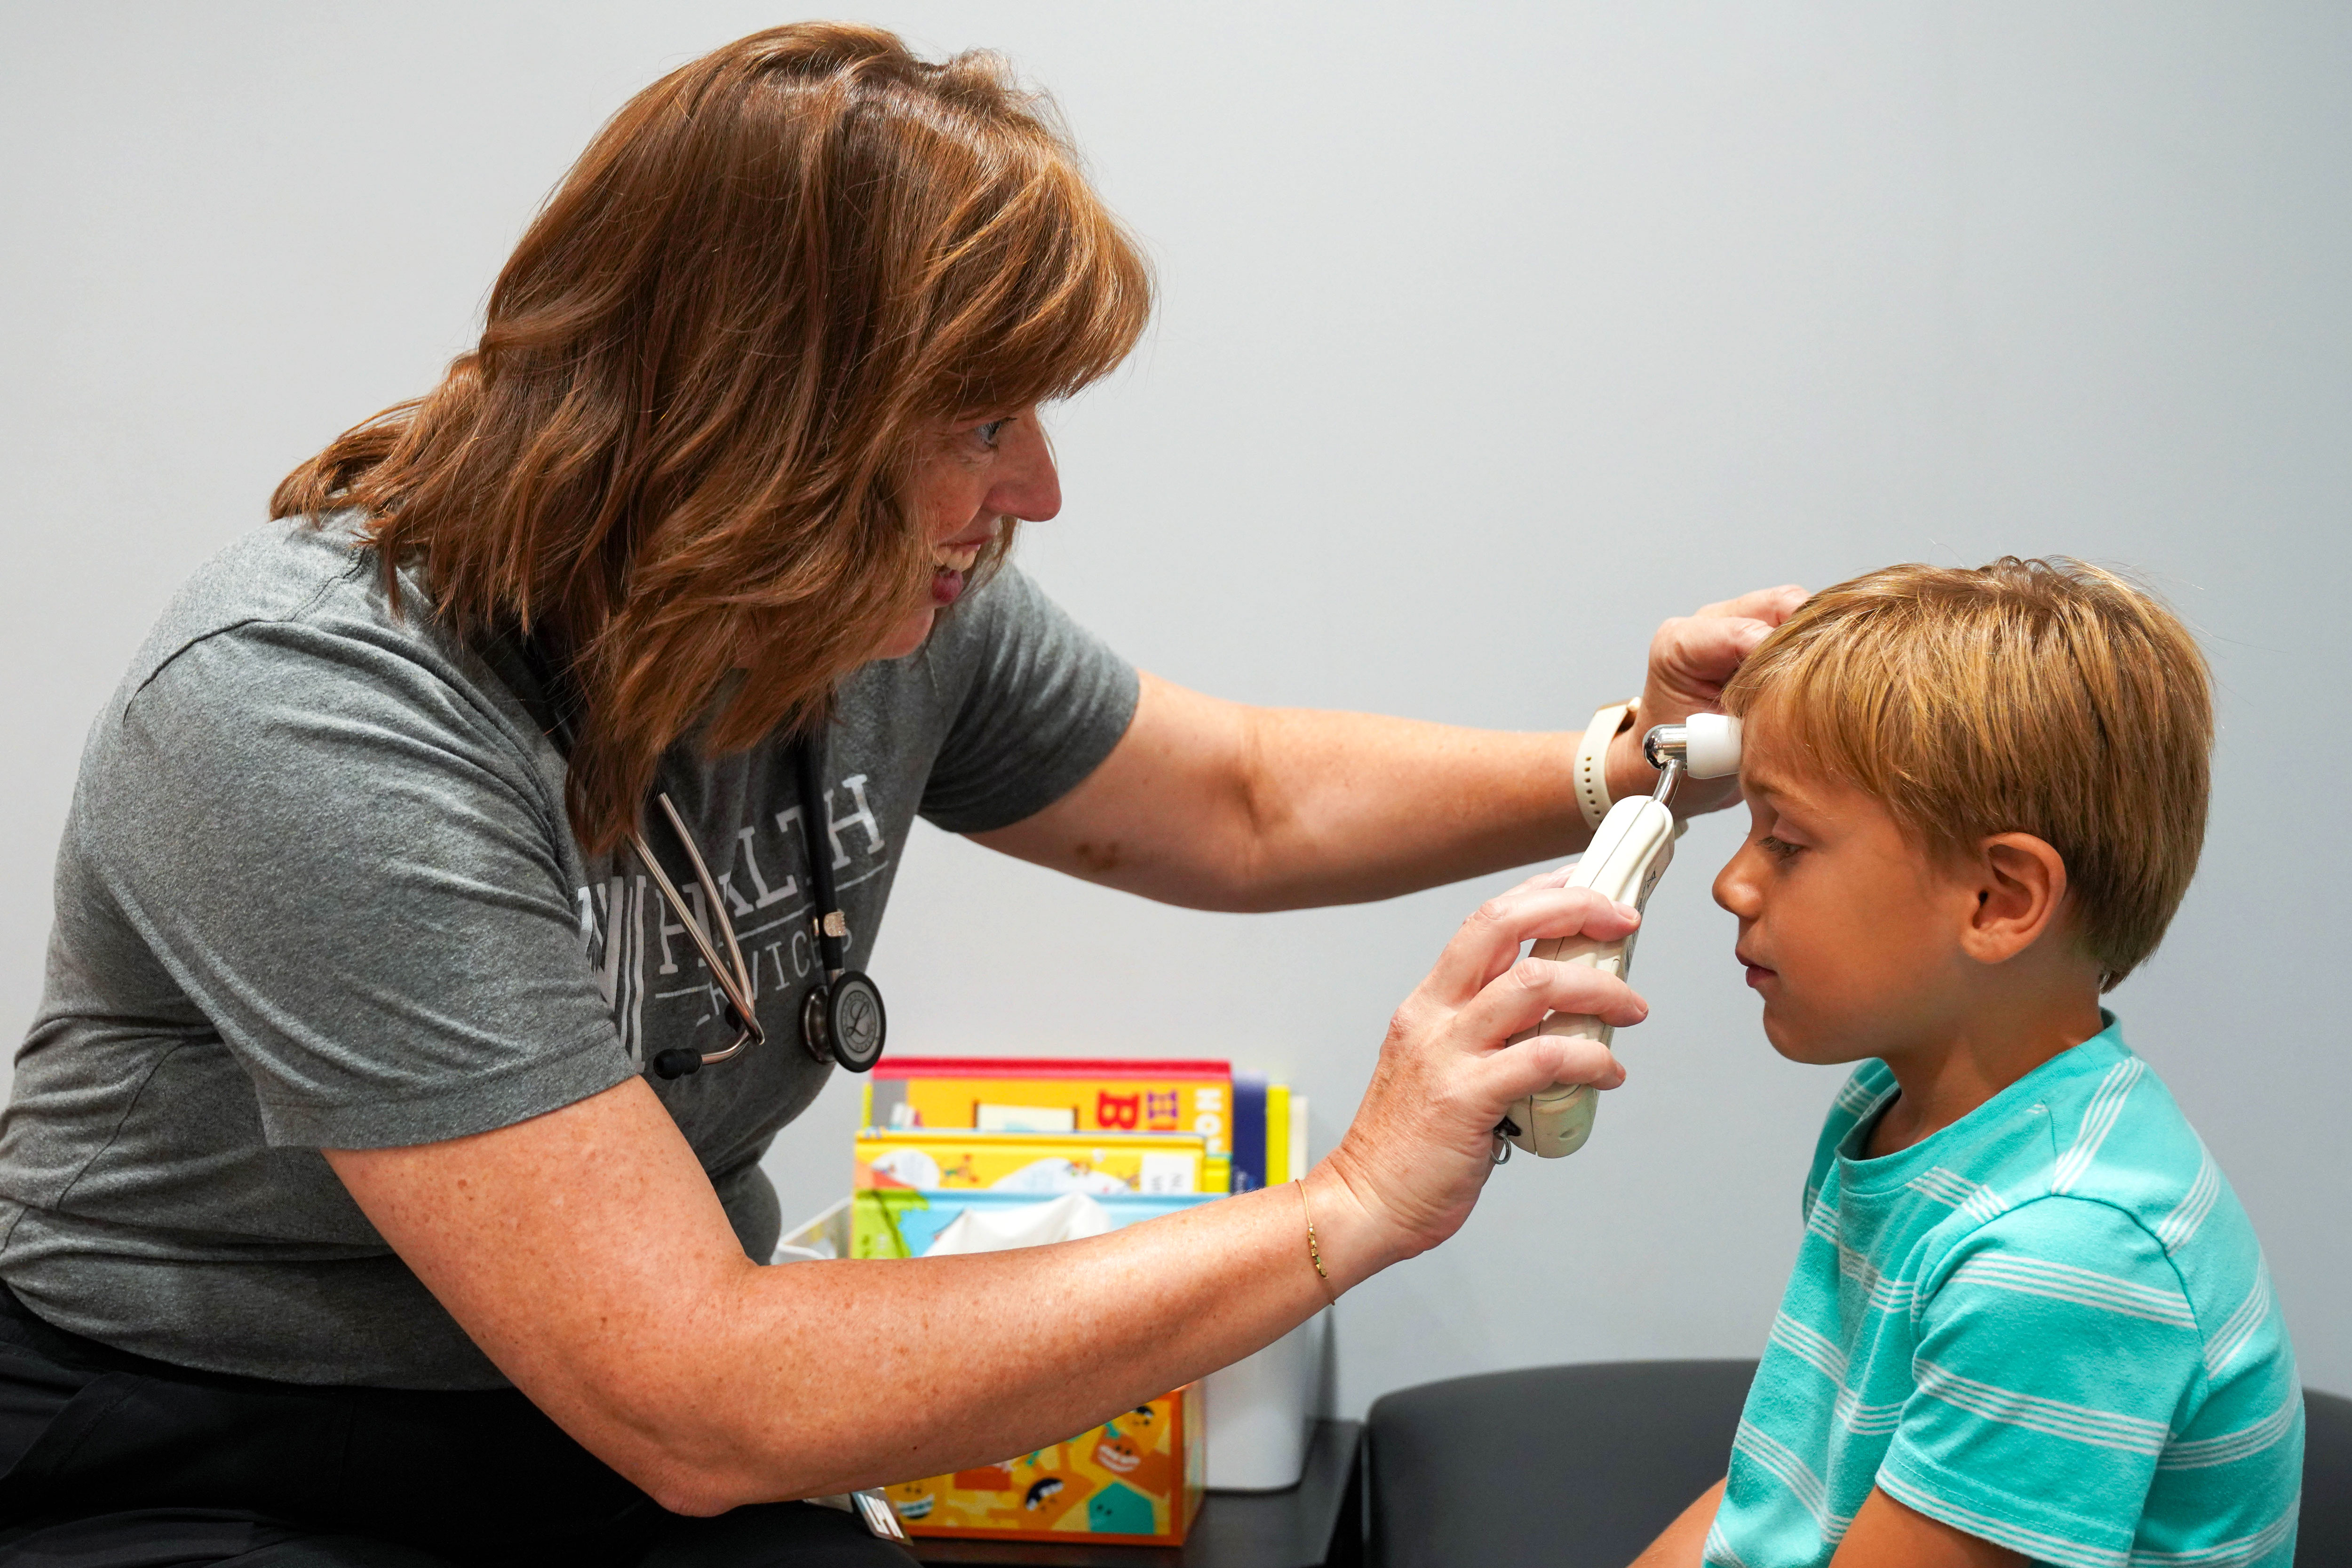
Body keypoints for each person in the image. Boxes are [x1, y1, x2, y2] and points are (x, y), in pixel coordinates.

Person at [0, 24, 1798, 1568]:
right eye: (982, 419)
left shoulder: (861, 600)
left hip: (610, 1428)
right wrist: (1347, 1205)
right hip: (203, 1437)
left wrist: (1633, 761)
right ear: (750, 417)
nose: (1039, 487)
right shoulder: (308, 707)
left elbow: (1243, 802)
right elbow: (697, 1393)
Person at [1632, 560, 2301, 1568]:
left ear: (1998, 900)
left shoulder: (2067, 1252)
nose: (1731, 881)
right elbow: (1781, 1490)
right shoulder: (1897, 1107)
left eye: (1788, 840)